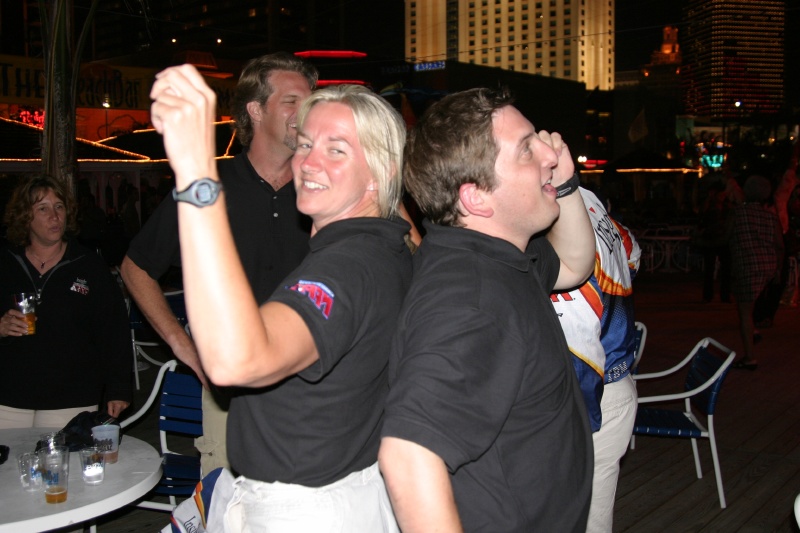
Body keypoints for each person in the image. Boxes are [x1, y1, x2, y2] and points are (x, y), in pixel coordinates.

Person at [151, 65, 412, 531]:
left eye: (336, 150)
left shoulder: (348, 267)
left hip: (306, 512)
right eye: (306, 144)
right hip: (340, 491)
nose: (309, 162)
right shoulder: (386, 244)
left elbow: (237, 360)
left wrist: (195, 174)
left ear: (381, 170)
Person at [379, 87, 595, 532]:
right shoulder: (470, 299)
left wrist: (565, 185)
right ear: (476, 198)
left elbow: (575, 264)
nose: (551, 154)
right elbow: (407, 454)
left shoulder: (497, 255)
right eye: (526, 150)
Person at [120, 52, 318, 474]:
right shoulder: (207, 186)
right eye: (292, 101)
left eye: (310, 100)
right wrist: (183, 346)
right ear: (255, 110)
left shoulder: (321, 186)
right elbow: (136, 268)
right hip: (232, 390)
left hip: (309, 384)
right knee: (227, 497)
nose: (306, 111)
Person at [0, 176, 132, 429]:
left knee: (62, 455)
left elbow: (114, 330)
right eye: (43, 208)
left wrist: (119, 388)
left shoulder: (88, 266)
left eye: (59, 206)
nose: (54, 216)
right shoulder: (6, 263)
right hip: (9, 395)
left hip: (71, 396)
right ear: (25, 216)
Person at [551, 187, 641, 533]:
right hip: (617, 384)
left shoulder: (547, 215)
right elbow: (634, 256)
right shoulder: (591, 203)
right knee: (594, 520)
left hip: (585, 391)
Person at [730, 175, 784, 370]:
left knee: (744, 311)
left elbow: (727, 236)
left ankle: (750, 357)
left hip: (748, 264)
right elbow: (779, 245)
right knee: (750, 302)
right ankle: (753, 332)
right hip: (768, 264)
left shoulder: (738, 213)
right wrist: (778, 269)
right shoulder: (770, 216)